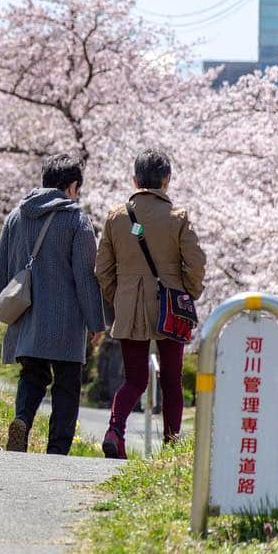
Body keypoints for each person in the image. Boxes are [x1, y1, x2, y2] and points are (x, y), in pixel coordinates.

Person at [0, 154, 106, 455]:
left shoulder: (16, 216)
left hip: (26, 317)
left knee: (32, 376)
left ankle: (21, 420)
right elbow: (85, 277)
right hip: (66, 321)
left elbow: (0, 270)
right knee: (66, 384)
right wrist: (96, 322)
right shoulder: (76, 219)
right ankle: (57, 451)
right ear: (73, 186)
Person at [96, 149, 206, 459]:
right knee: (171, 380)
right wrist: (189, 293)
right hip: (170, 304)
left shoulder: (117, 217)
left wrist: (120, 294)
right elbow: (195, 264)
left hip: (130, 302)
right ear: (166, 180)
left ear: (135, 179)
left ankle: (115, 431)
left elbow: (102, 268)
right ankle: (171, 449)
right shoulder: (178, 217)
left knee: (134, 379)